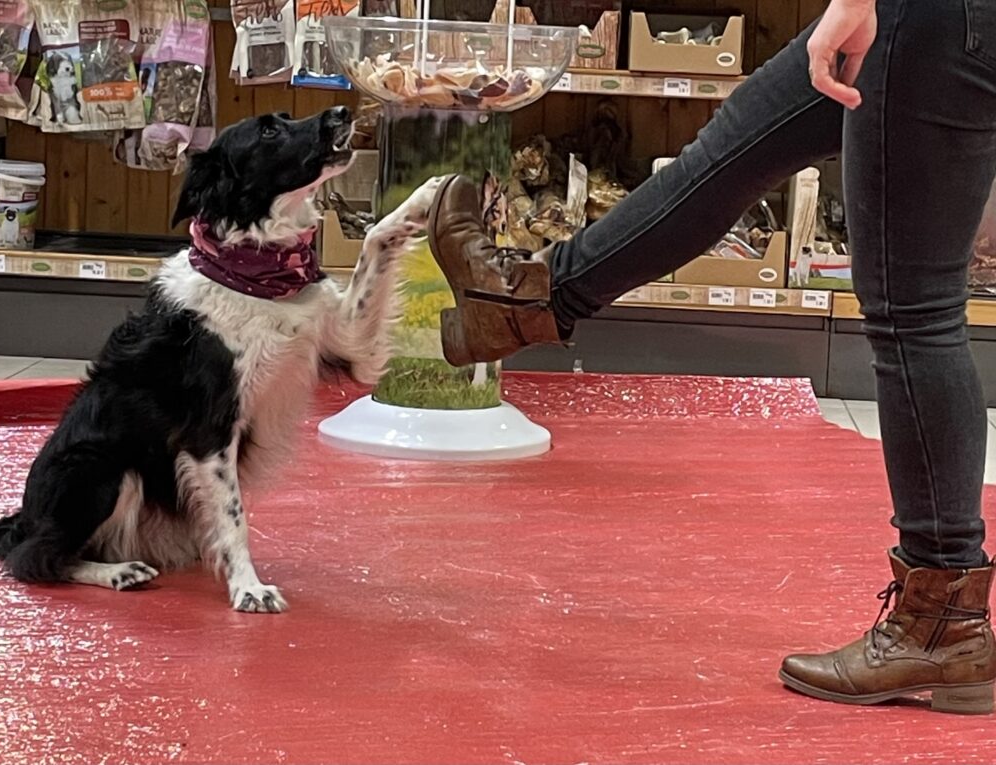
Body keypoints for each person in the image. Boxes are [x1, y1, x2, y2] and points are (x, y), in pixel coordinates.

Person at [426, 0, 996, 715]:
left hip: (927, 19)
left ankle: (944, 615)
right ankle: (525, 299)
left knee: (914, 308)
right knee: (728, 155)